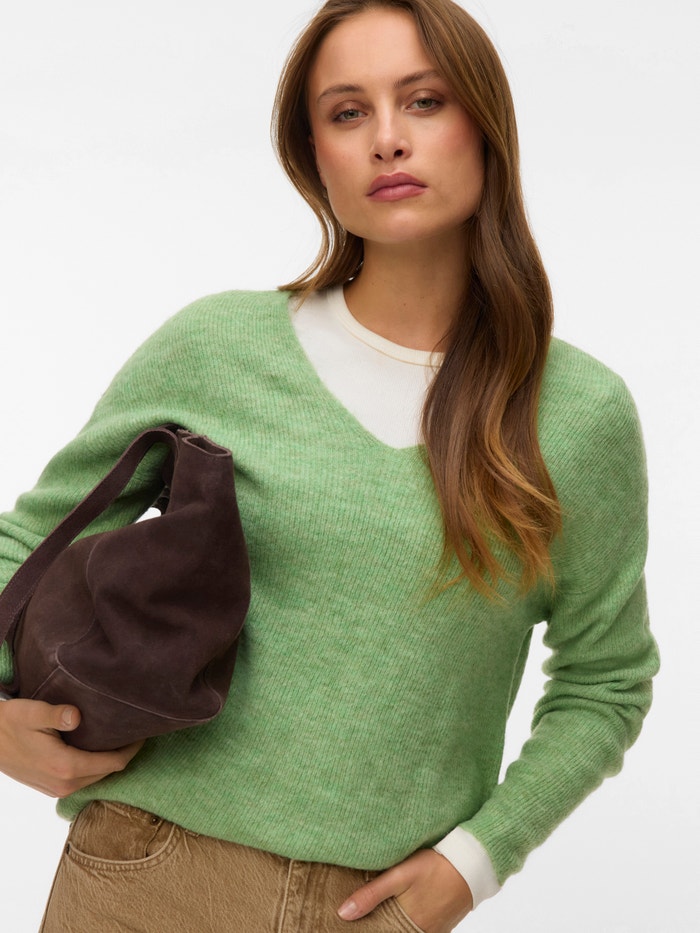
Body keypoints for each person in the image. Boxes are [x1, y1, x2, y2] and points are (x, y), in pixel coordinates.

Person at [0, 1, 659, 930]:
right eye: (348, 112)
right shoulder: (217, 348)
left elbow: (606, 679)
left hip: (375, 910)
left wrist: (476, 861)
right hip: (145, 878)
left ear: (484, 124)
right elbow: (30, 542)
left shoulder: (576, 416)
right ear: (315, 155)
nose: (388, 138)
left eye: (423, 101)